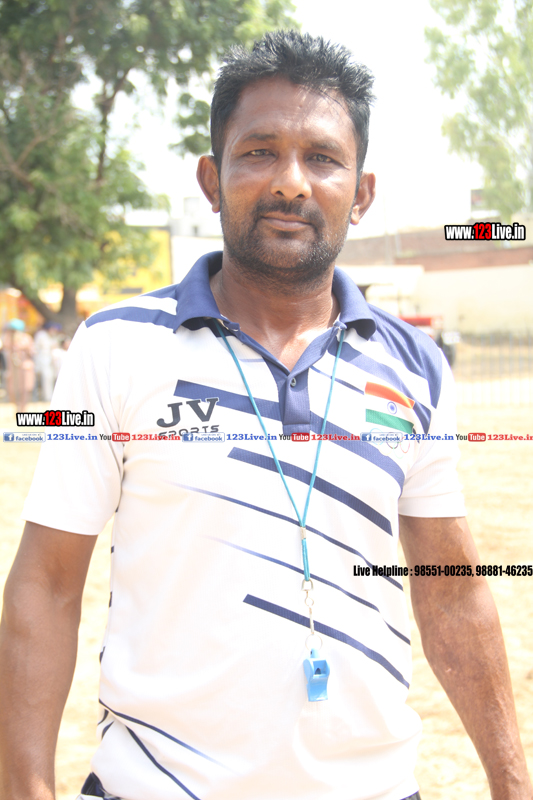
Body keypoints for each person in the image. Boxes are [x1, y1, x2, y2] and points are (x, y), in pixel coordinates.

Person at [0, 30, 530, 800]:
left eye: (321, 158)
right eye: (257, 153)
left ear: (361, 193)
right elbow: (46, 585)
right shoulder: (117, 345)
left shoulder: (414, 365)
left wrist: (512, 786)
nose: (289, 182)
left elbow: (451, 591)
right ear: (211, 180)